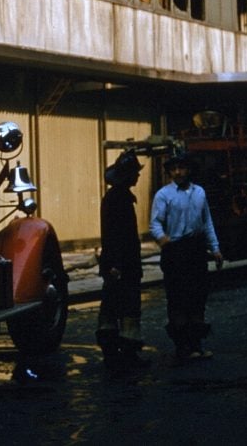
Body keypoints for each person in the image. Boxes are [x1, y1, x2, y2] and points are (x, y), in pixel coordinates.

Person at [149, 154, 223, 362]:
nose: (178, 172)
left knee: (198, 297)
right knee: (178, 298)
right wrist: (163, 240)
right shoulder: (164, 195)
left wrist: (215, 248)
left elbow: (206, 221)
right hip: (175, 249)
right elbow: (154, 223)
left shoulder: (199, 192)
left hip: (196, 249)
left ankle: (196, 343)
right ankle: (182, 346)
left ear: (189, 170)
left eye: (182, 168)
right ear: (170, 172)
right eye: (174, 169)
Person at [96, 150, 149, 376]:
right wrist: (116, 263)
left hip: (119, 262)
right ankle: (124, 352)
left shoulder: (116, 197)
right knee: (125, 305)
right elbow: (115, 234)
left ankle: (114, 352)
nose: (137, 177)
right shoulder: (118, 199)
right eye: (135, 173)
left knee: (112, 305)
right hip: (122, 263)